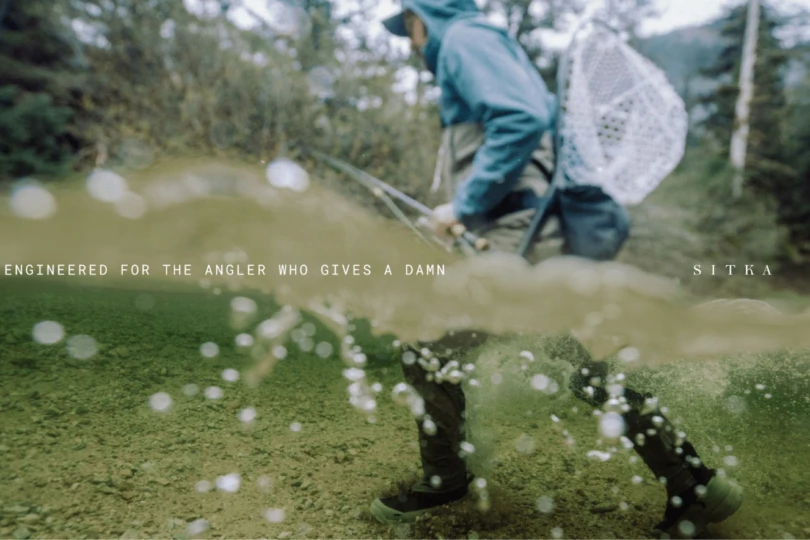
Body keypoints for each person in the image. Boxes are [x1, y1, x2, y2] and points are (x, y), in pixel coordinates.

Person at [371, 1, 744, 538]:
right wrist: (473, 217)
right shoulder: (487, 43)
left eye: (406, 27)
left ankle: (446, 476)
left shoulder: (462, 40)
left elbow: (520, 118)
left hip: (521, 245)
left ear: (423, 15)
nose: (409, 42)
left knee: (424, 344)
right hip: (538, 241)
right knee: (593, 370)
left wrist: (468, 204)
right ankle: (696, 484)